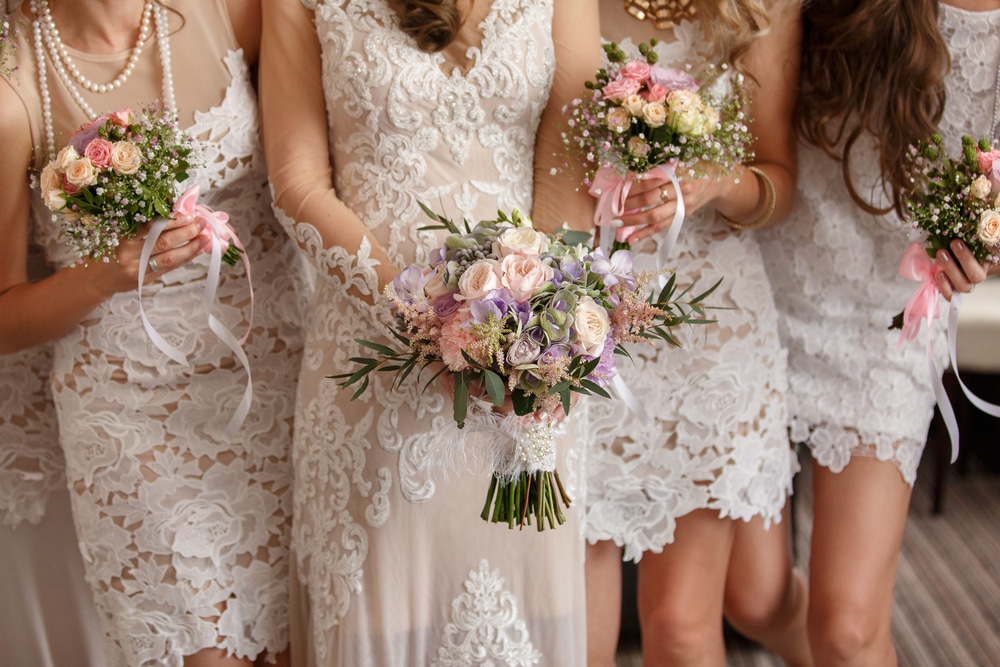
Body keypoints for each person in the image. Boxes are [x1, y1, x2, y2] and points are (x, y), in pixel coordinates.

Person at [259, 0, 599, 664]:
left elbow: (569, 151)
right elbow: (297, 184)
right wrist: (423, 322)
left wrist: (542, 328)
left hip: (524, 364)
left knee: (519, 607)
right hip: (375, 362)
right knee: (382, 615)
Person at [0, 1, 309, 664]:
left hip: (276, 373)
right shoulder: (12, 84)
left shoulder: (235, 9)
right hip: (132, 413)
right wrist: (104, 274)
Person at [756, 1, 997, 664]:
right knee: (753, 599)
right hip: (763, 286)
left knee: (847, 629)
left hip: (890, 322)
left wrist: (985, 249)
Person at [582, 1, 812, 666]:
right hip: (589, 321)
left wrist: (714, 181)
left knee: (682, 626)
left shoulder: (759, 9)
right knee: (577, 639)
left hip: (709, 329)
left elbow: (779, 183)